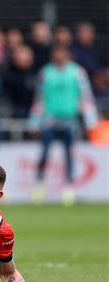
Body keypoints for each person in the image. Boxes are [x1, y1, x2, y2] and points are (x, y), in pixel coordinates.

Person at [29, 46, 98, 205]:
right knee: (44, 153)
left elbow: (85, 96)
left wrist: (90, 120)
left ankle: (69, 188)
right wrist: (34, 122)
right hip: (49, 119)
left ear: (67, 55)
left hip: (69, 120)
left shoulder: (77, 72)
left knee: (69, 154)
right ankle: (39, 185)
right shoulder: (46, 72)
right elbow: (39, 98)